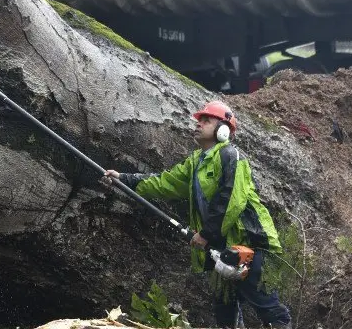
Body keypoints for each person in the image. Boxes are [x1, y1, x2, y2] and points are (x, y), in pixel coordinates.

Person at [103, 100, 292, 329]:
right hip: (220, 250)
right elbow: (165, 182)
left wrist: (205, 234)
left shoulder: (231, 156)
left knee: (267, 307)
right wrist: (124, 179)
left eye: (206, 120)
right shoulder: (196, 163)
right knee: (225, 314)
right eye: (199, 120)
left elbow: (230, 199)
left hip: (248, 242)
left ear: (223, 129)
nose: (198, 124)